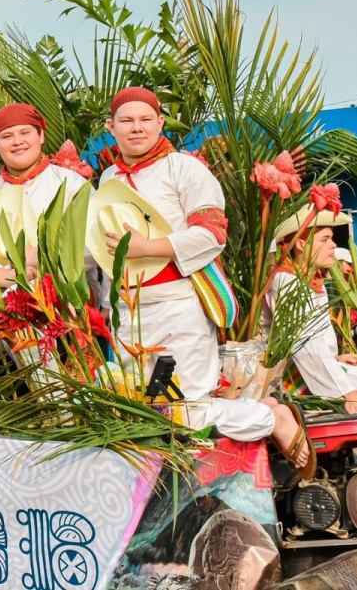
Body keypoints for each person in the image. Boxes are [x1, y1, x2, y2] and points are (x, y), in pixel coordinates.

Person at [94, 87, 312, 469]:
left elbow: (212, 233)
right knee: (144, 412)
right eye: (126, 121)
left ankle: (272, 418)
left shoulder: (185, 168)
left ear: (160, 123)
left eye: (146, 119)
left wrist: (150, 247)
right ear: (111, 127)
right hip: (129, 311)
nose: (137, 128)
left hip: (179, 305)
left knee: (186, 413)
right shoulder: (109, 176)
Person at [266, 206, 357, 417]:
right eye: (325, 239)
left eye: (332, 239)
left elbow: (316, 339)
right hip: (294, 372)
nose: (333, 245)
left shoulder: (312, 279)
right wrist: (347, 391)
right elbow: (305, 345)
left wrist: (336, 357)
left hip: (321, 363)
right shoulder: (286, 281)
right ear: (300, 244)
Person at [0, 103, 91, 288]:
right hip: (1, 301)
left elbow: (93, 243)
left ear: (41, 136)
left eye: (25, 132)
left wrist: (38, 257)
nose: (17, 141)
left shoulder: (72, 184)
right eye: (6, 136)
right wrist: (4, 275)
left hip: (68, 300)